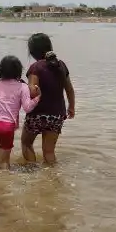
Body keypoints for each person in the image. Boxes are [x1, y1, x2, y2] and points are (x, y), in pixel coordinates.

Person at [21, 33, 75, 166]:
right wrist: (71, 107)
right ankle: (52, 178)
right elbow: (69, 89)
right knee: (49, 152)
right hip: (57, 114)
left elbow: (33, 91)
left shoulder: (35, 67)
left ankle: (32, 172)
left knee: (26, 144)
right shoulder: (61, 65)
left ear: (32, 52)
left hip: (37, 113)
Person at [0, 55, 41, 170]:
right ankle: (4, 185)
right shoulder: (22, 87)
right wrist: (37, 97)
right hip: (6, 126)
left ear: (1, 69)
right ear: (19, 70)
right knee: (4, 161)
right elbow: (27, 108)